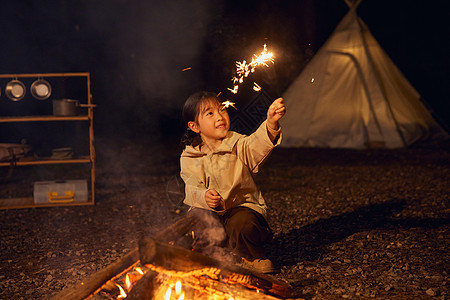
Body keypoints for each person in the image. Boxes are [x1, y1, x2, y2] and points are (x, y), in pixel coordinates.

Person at [179, 91, 286, 273]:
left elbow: (256, 146)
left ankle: (252, 257)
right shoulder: (190, 156)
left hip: (241, 209)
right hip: (212, 214)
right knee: (197, 221)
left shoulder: (237, 143)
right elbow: (191, 188)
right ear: (195, 126)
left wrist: (270, 124)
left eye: (222, 109)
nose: (220, 116)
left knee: (242, 224)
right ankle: (210, 256)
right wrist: (204, 197)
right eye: (210, 113)